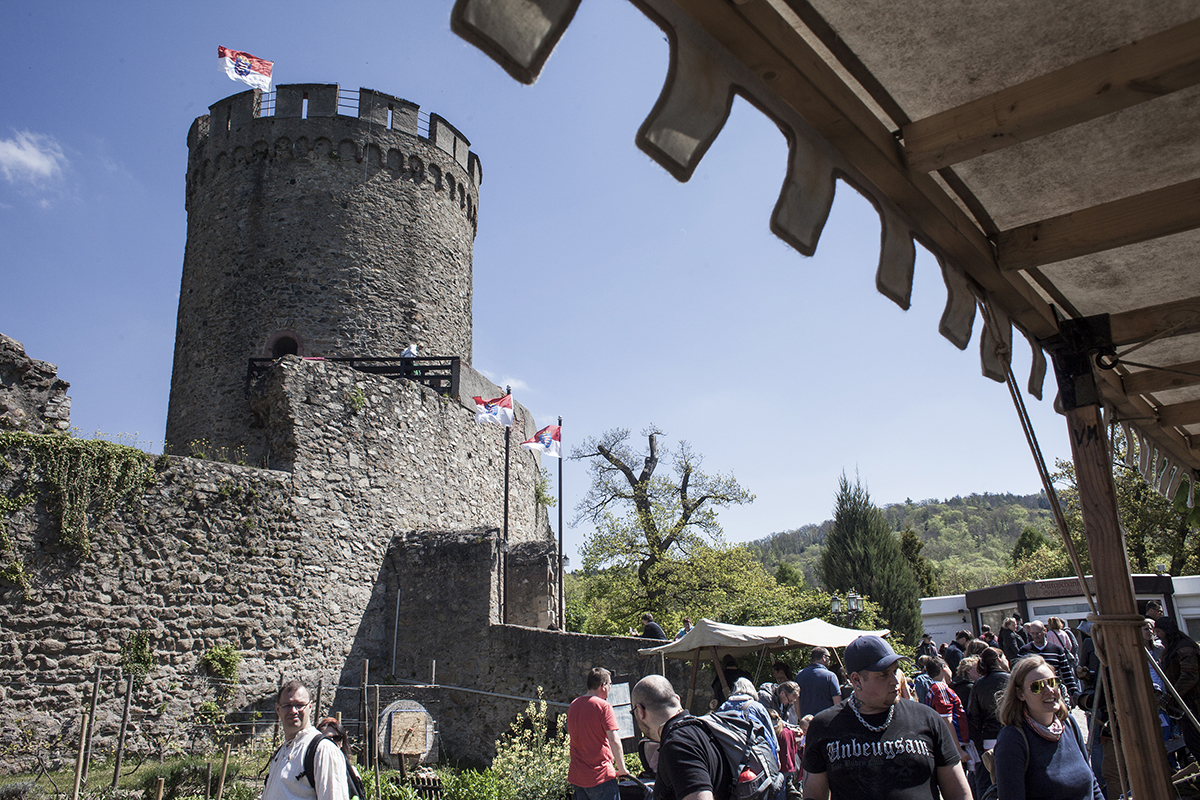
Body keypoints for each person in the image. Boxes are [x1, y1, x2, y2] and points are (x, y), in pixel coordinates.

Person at [801, 635, 970, 800]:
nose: (895, 681)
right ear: (856, 680)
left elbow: (959, 792)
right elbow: (814, 795)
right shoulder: (824, 727)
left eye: (895, 671)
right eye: (883, 674)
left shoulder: (927, 718)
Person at [993, 655, 1103, 799]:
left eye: (1052, 682)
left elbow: (1092, 785)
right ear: (1020, 694)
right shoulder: (1012, 739)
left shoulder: (1069, 724)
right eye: (1037, 686)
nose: (1049, 690)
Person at [631, 674, 734, 800]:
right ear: (677, 699)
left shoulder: (677, 745)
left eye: (633, 712)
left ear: (640, 711)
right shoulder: (701, 729)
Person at [264, 680, 350, 800]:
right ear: (278, 709)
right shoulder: (282, 752)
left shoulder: (323, 750)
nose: (293, 711)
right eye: (287, 705)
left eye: (299, 705)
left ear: (310, 707)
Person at [567, 667, 630, 800]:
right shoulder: (603, 706)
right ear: (603, 685)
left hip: (578, 776)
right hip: (600, 775)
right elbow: (614, 740)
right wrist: (622, 768)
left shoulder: (573, 705)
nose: (610, 689)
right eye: (610, 685)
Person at [1154, 616, 1200, 763]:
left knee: (1196, 742)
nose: (1158, 636)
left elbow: (1190, 675)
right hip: (1186, 704)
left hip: (1194, 703)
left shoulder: (1184, 647)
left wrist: (1173, 696)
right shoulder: (1172, 648)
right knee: (1192, 743)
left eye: (1159, 632)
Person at [967, 647, 1009, 799]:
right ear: (999, 658)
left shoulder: (978, 684)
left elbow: (973, 715)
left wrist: (978, 739)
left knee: (986, 779)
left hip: (988, 738)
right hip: (1010, 733)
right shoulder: (1011, 680)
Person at [1018, 621, 1080, 705]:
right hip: (1035, 691)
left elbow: (1066, 672)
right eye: (1033, 633)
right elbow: (1019, 674)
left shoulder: (1057, 650)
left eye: (1038, 633)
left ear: (1045, 631)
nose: (1035, 636)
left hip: (1054, 688)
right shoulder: (1024, 651)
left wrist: (1073, 692)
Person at [719, 677, 778, 761]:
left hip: (729, 752)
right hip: (753, 754)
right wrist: (775, 754)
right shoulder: (757, 707)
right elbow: (769, 732)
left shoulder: (724, 707)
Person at [795, 647, 842, 719]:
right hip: (826, 721)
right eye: (829, 658)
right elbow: (837, 703)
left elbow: (796, 701)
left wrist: (800, 719)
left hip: (807, 723)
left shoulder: (799, 675)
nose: (829, 661)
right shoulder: (830, 676)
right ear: (824, 657)